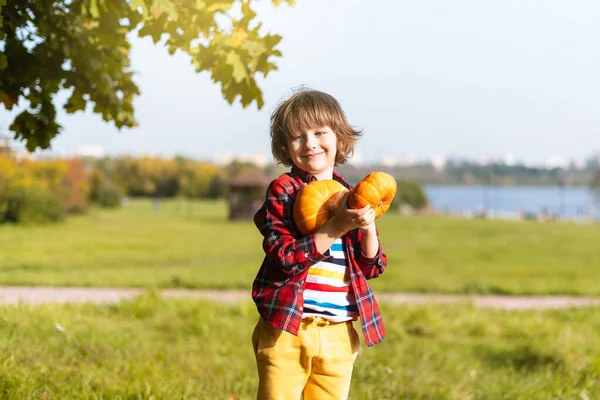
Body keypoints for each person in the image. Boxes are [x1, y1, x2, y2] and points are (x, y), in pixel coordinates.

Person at [251, 88, 388, 400]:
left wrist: (367, 228)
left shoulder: (353, 195)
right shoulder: (284, 191)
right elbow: (284, 258)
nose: (310, 143)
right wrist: (336, 226)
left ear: (338, 136)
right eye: (298, 137)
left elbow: (371, 266)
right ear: (285, 146)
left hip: (338, 331)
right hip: (288, 328)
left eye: (319, 132)